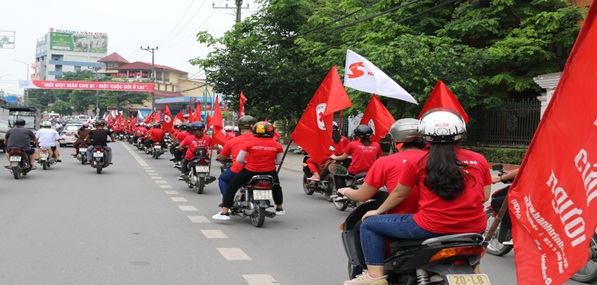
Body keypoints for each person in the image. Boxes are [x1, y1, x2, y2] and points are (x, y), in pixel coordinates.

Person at [344, 109, 491, 285]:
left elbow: (399, 194)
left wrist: (377, 211)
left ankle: (375, 278)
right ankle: (474, 270)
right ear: (460, 132)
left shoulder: (418, 162)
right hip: (475, 229)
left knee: (368, 225)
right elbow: (484, 196)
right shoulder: (479, 159)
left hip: (430, 226)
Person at [337, 118, 425, 213]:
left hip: (401, 218)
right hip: (434, 219)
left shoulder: (385, 161)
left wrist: (344, 191)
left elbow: (361, 196)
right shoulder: (436, 159)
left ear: (395, 142)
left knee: (364, 224)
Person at [212, 121, 285, 221]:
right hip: (269, 172)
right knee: (276, 186)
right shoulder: (278, 145)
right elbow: (278, 162)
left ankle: (224, 212)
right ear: (272, 132)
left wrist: (246, 161)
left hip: (250, 171)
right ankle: (279, 208)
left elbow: (239, 160)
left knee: (232, 187)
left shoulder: (249, 144)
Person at [216, 115, 257, 205]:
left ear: (239, 127)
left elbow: (222, 156)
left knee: (223, 179)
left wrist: (219, 157)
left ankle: (227, 201)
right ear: (254, 127)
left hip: (240, 170)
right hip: (261, 170)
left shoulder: (232, 141)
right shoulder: (261, 140)